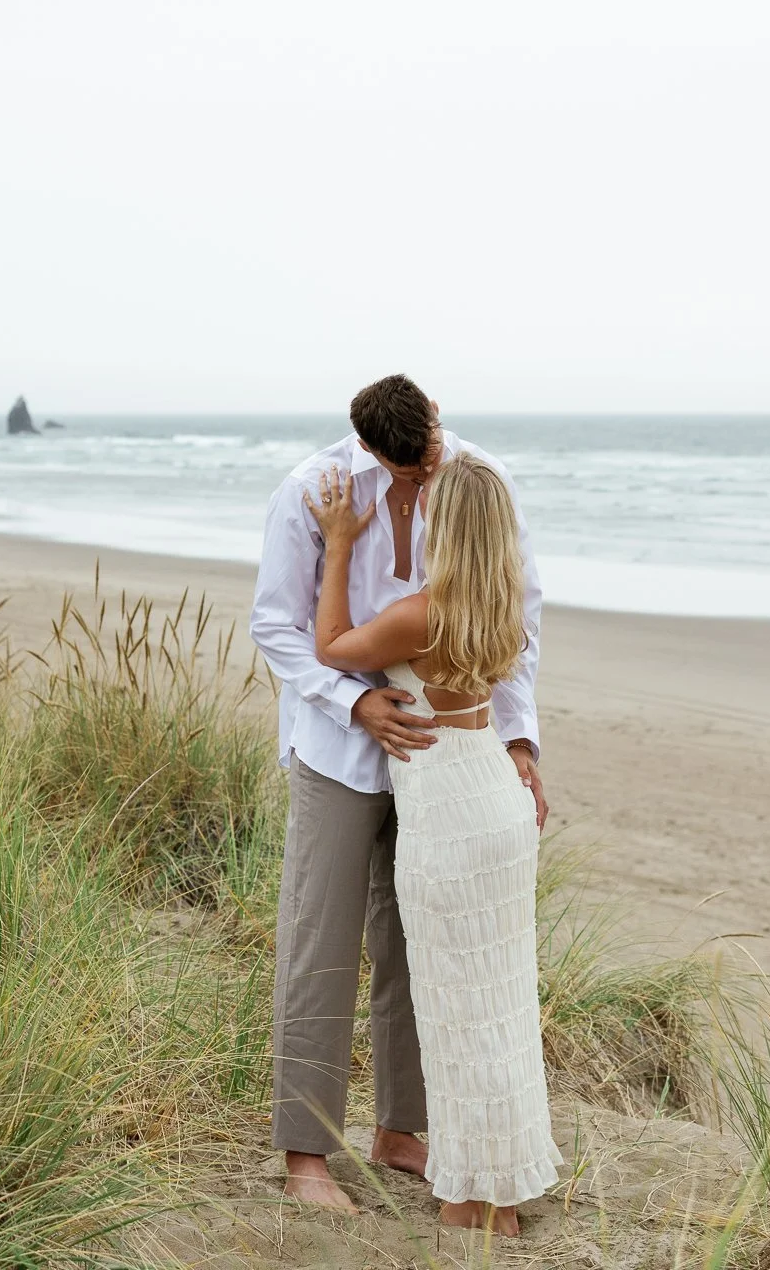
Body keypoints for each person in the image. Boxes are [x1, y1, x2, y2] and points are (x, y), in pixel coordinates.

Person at [248, 373, 547, 1221]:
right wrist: (355, 702)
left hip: (448, 764)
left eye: (432, 459)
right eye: (410, 471)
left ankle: (405, 1132)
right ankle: (307, 1153)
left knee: (424, 950)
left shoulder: (477, 476)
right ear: (375, 450)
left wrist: (520, 737)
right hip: (342, 750)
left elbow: (520, 612)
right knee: (324, 942)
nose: (426, 478)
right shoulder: (312, 492)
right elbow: (278, 624)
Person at [305, 450, 561, 1234]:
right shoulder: (502, 609)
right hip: (497, 799)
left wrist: (341, 542)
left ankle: (462, 1199)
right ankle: (502, 1201)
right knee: (503, 1006)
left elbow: (330, 646)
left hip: (448, 813)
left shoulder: (423, 612)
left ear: (446, 526)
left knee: (453, 1012)